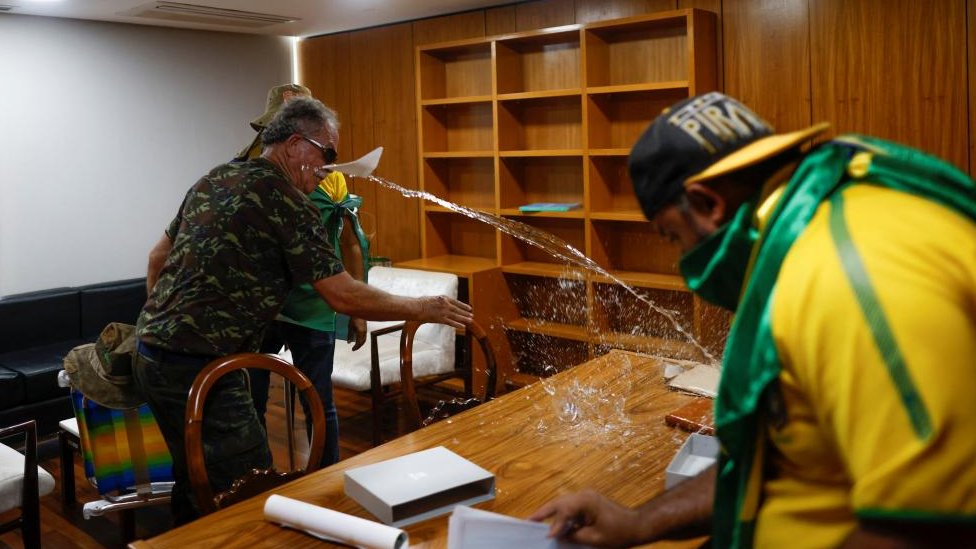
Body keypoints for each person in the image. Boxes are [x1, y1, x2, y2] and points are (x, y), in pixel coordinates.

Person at [530, 92, 976, 547]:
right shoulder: (811, 227)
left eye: (673, 236)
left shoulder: (849, 273)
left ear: (706, 204)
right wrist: (638, 523)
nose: (684, 260)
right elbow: (774, 460)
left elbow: (927, 527)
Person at [134, 96, 472, 524]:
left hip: (149, 355)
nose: (331, 166)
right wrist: (423, 306)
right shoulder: (288, 202)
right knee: (246, 485)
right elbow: (343, 295)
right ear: (294, 144)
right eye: (327, 153)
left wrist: (159, 325)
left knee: (193, 473)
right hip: (199, 366)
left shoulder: (216, 177)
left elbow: (155, 258)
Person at [237, 84, 370, 468]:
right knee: (252, 400)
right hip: (264, 305)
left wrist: (357, 309)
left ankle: (327, 479)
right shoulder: (249, 175)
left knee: (318, 401)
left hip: (315, 301)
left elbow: (347, 244)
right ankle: (256, 479)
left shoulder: (332, 180)